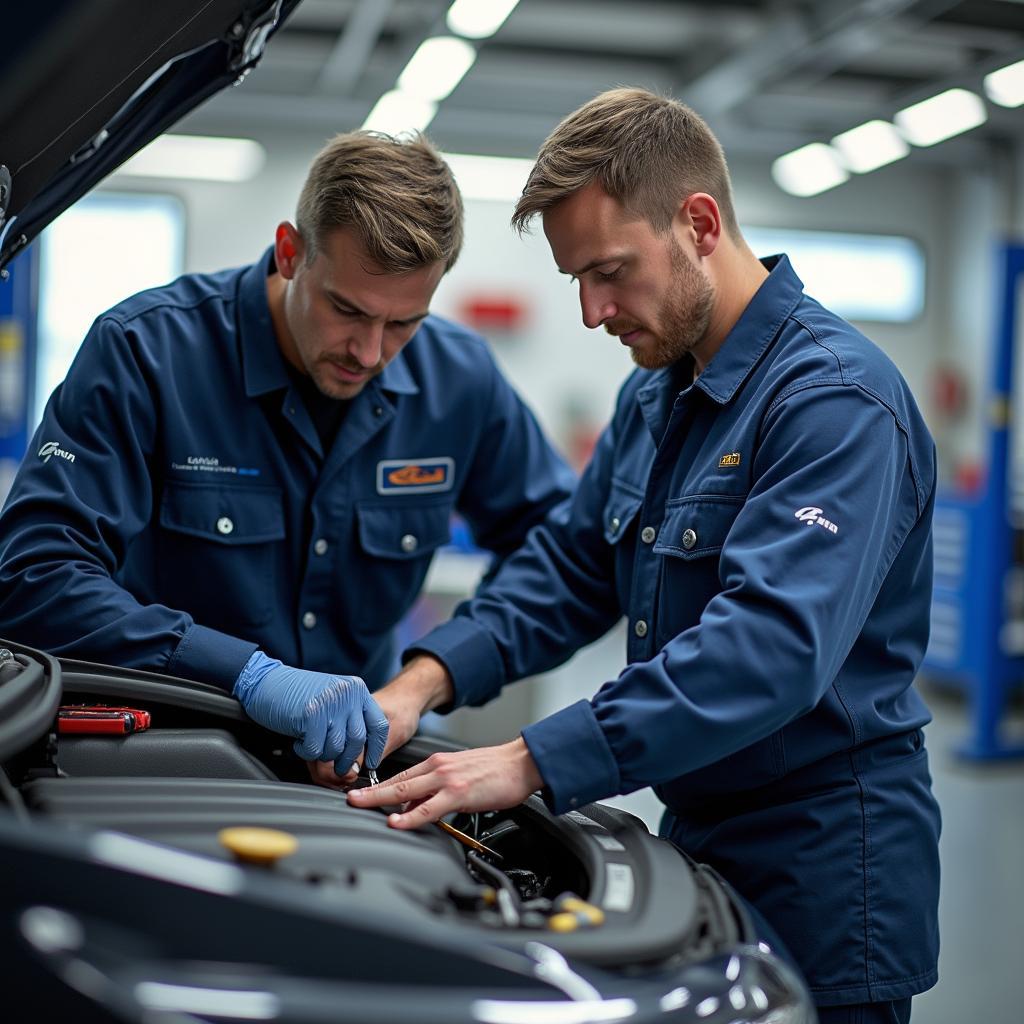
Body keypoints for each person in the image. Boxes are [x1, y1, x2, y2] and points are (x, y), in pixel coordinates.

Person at [350, 89, 941, 1023]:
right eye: (577, 280)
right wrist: (418, 683)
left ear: (699, 224)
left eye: (611, 272)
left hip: (826, 874)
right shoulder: (659, 397)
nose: (593, 312)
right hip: (700, 838)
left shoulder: (834, 403)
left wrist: (533, 759)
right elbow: (569, 571)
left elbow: (769, 649)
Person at [0, 131, 575, 783]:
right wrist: (244, 672)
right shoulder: (147, 354)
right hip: (159, 760)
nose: (369, 351)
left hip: (350, 771)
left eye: (403, 323)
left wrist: (426, 679)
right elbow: (34, 577)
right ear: (289, 252)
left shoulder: (458, 380)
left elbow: (562, 555)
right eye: (347, 310)